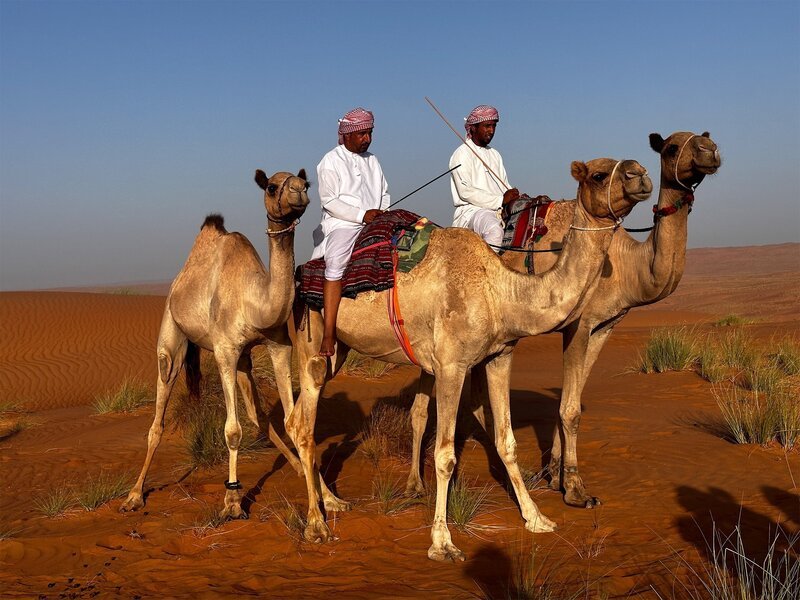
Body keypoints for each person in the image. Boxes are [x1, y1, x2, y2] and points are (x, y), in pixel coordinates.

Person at [310, 107, 390, 357]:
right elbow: (329, 201)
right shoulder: (330, 161)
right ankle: (329, 333)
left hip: (375, 220)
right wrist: (360, 215)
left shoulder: (373, 160)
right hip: (343, 224)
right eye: (362, 134)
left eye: (370, 133)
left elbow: (385, 193)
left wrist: (380, 213)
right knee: (336, 262)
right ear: (346, 135)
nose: (367, 138)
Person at [450, 105, 519, 250]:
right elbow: (466, 192)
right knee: (495, 233)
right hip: (472, 211)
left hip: (498, 210)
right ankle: (485, 271)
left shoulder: (495, 154)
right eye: (487, 126)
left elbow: (504, 186)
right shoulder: (462, 154)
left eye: (494, 126)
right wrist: (500, 200)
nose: (492, 130)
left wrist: (514, 195)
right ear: (473, 127)